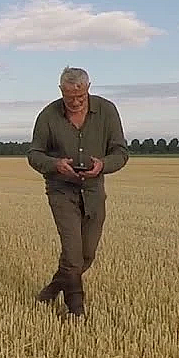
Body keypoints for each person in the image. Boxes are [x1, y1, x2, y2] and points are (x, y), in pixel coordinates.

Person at [26, 66, 129, 318]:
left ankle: (51, 289)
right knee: (72, 255)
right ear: (61, 91)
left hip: (93, 192)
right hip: (61, 190)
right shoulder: (48, 115)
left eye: (80, 96)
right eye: (69, 96)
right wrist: (55, 165)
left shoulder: (107, 111)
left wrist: (102, 165)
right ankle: (76, 310)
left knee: (86, 255)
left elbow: (121, 153)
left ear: (88, 88)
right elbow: (34, 154)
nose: (75, 101)